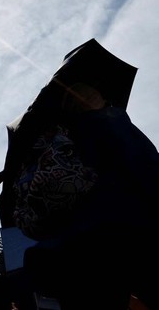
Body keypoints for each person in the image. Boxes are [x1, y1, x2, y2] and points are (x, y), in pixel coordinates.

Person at [22, 82, 159, 309]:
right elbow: (148, 170)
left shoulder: (57, 141)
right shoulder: (110, 123)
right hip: (134, 235)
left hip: (75, 254)